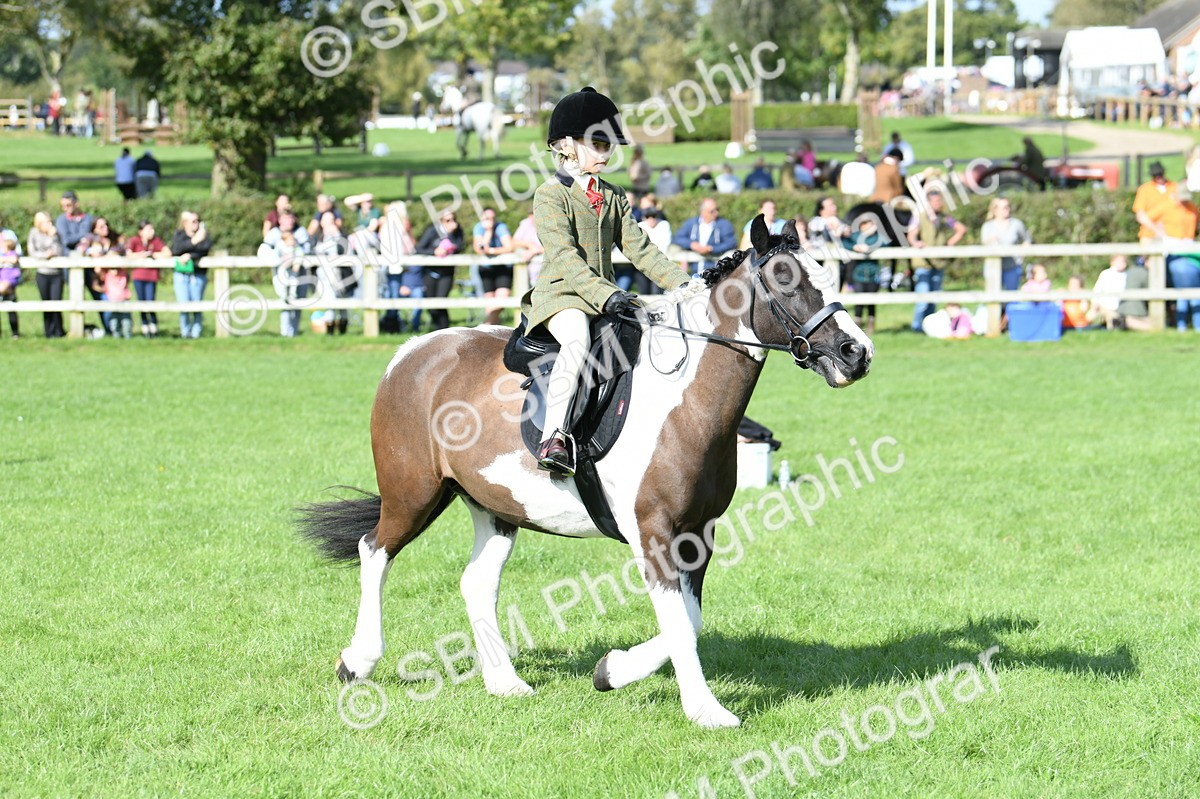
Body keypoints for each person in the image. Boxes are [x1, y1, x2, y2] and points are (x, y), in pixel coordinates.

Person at [522, 86, 692, 475]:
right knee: (579, 338)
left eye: (609, 145)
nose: (606, 153)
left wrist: (685, 285)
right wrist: (608, 295)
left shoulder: (613, 196)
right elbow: (564, 257)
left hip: (607, 295)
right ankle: (555, 436)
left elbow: (642, 250)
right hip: (561, 297)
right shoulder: (550, 195)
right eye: (598, 143)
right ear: (566, 145)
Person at [907, 190, 966, 332]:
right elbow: (912, 235)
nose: (939, 204)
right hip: (923, 263)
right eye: (936, 201)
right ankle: (916, 327)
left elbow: (961, 229)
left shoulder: (945, 218)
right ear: (928, 202)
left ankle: (928, 327)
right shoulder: (920, 218)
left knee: (934, 298)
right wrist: (916, 243)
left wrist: (949, 243)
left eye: (940, 201)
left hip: (939, 262)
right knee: (923, 297)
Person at [416, 210, 465, 331]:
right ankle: (436, 330)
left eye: (453, 219)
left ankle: (444, 330)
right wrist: (434, 252)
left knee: (441, 301)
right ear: (441, 221)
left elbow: (460, 246)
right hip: (430, 272)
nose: (452, 223)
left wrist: (451, 235)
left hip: (446, 273)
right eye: (448, 220)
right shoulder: (432, 231)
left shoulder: (457, 232)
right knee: (432, 305)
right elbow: (419, 248)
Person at [379, 201, 420, 334]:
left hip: (393, 265)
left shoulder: (387, 225)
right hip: (396, 266)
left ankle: (392, 323)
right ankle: (392, 324)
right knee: (393, 294)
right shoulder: (397, 225)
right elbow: (410, 247)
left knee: (392, 294)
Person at [126, 219, 172, 337]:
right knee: (141, 300)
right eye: (148, 229)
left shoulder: (155, 241)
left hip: (151, 276)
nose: (152, 231)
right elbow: (129, 254)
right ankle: (145, 325)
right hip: (138, 276)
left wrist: (154, 255)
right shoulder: (135, 241)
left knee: (150, 300)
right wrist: (140, 255)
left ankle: (153, 325)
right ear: (141, 231)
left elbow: (167, 253)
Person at [170, 211, 212, 339]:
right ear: (185, 223)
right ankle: (185, 333)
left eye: (197, 220)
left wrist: (189, 255)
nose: (196, 223)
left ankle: (196, 334)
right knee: (183, 305)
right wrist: (193, 242)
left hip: (198, 275)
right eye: (193, 221)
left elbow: (204, 250)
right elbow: (176, 249)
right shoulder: (179, 235)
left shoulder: (204, 235)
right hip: (181, 275)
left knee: (196, 305)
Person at [472, 206, 515, 326]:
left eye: (492, 218)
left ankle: (484, 327)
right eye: (487, 218)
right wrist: (488, 231)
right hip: (486, 268)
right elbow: (479, 249)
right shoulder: (479, 228)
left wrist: (491, 251)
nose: (490, 220)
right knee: (490, 304)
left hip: (503, 268)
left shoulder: (501, 227)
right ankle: (493, 335)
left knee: (501, 301)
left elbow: (509, 247)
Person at [672, 197, 736, 275]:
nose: (716, 213)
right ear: (703, 212)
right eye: (712, 211)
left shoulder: (724, 225)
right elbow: (678, 238)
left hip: (715, 274)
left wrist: (711, 249)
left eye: (717, 209)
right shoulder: (691, 223)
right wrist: (691, 244)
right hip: (693, 273)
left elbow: (731, 242)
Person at [980, 197, 1032, 292]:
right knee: (993, 295)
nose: (1007, 209)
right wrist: (990, 240)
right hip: (993, 266)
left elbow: (1027, 239)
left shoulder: (1016, 224)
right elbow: (984, 244)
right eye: (1004, 207)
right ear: (995, 210)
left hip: (1013, 266)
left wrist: (1023, 251)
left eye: (1008, 207)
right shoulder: (987, 226)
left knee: (1011, 295)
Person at [844, 217, 882, 335]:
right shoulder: (856, 236)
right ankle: (857, 326)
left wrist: (870, 247)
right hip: (859, 274)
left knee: (872, 301)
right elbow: (845, 242)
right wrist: (854, 247)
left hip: (873, 274)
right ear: (861, 226)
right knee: (859, 301)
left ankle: (871, 325)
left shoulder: (877, 237)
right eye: (867, 225)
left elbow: (886, 243)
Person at [28, 212, 64, 338]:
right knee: (46, 302)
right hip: (42, 272)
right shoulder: (34, 233)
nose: (49, 224)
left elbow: (59, 251)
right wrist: (45, 255)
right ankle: (48, 331)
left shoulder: (55, 233)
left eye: (50, 222)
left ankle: (59, 331)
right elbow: (32, 251)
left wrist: (52, 237)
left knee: (56, 302)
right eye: (46, 222)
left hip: (56, 273)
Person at [1133, 162, 1177, 241]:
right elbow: (1140, 215)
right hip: (1150, 232)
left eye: (1160, 174)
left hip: (1173, 232)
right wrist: (1157, 229)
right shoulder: (1144, 189)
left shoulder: (1174, 187)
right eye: (1155, 175)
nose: (1158, 177)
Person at [96, 261, 132, 337]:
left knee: (126, 321)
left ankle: (127, 336)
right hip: (112, 300)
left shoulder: (123, 274)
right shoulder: (107, 275)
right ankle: (116, 336)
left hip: (124, 299)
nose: (115, 271)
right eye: (112, 268)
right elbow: (98, 269)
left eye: (117, 268)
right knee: (114, 322)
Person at [1090, 255, 1127, 329]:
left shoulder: (1126, 275)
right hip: (1104, 306)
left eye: (1124, 261)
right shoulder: (1106, 274)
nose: (1123, 263)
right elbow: (1097, 289)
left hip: (1120, 307)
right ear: (1112, 262)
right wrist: (1094, 303)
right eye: (1120, 261)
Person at [1117, 258, 1152, 331]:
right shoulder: (1145, 273)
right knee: (1151, 327)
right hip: (1135, 311)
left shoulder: (1130, 271)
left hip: (1122, 308)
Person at [511, 209, 545, 287]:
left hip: (546, 270)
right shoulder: (525, 224)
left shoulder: (549, 224)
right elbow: (514, 242)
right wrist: (530, 246)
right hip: (528, 272)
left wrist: (536, 250)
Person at [0, 237, 20, 338]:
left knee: (11, 309)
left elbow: (14, 259)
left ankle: (15, 333)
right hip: (2, 281)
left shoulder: (12, 254)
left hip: (9, 282)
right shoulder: (3, 256)